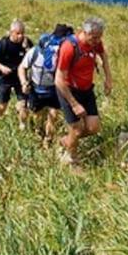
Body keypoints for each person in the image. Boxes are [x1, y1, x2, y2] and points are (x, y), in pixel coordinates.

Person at [55, 16, 113, 164]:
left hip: (86, 89)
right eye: (94, 38)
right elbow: (59, 80)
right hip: (68, 90)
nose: (97, 41)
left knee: (93, 127)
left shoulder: (95, 42)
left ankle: (65, 141)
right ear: (84, 32)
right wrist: (74, 104)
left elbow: (103, 55)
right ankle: (71, 159)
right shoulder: (69, 48)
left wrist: (108, 78)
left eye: (99, 37)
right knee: (77, 129)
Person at [18, 24, 71, 144]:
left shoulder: (61, 54)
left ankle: (47, 140)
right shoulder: (34, 52)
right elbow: (22, 67)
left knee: (53, 115)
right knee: (38, 115)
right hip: (36, 89)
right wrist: (24, 82)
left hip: (53, 89)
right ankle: (38, 131)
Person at [0, 20, 32, 124]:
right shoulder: (2, 44)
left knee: (23, 104)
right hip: (5, 78)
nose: (20, 36)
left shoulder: (26, 42)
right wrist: (2, 67)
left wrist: (27, 48)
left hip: (20, 79)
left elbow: (32, 55)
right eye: (18, 33)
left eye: (22, 33)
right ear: (11, 32)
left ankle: (23, 126)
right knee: (3, 104)